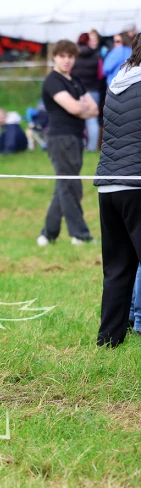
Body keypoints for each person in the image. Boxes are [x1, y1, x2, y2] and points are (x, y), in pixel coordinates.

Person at [94, 33, 141, 347]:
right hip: (137, 185)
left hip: (109, 186)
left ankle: (108, 339)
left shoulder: (117, 81)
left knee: (117, 269)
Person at [36, 40, 99, 248]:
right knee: (69, 186)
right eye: (63, 56)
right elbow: (74, 108)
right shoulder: (53, 81)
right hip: (60, 138)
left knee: (65, 185)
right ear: (55, 57)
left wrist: (81, 107)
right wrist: (81, 107)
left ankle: (48, 234)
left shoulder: (75, 80)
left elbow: (94, 109)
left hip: (76, 138)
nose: (67, 60)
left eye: (71, 56)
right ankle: (79, 235)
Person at [71, 31, 104, 151]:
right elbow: (101, 74)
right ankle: (92, 148)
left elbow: (69, 73)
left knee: (77, 119)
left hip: (77, 91)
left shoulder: (73, 56)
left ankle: (79, 145)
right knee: (92, 120)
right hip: (93, 90)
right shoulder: (96, 56)